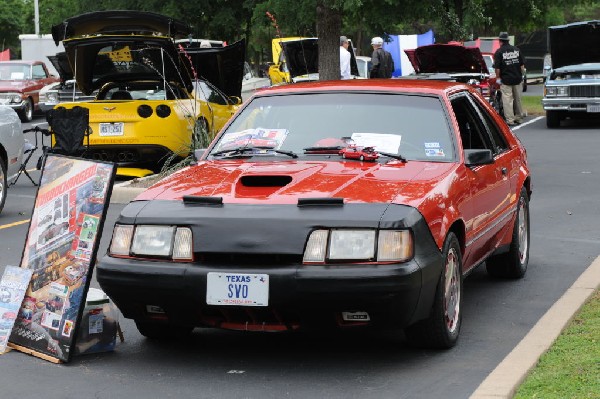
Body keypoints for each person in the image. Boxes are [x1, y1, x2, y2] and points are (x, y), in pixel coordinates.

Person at [493, 32, 525, 126]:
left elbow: (497, 68)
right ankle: (519, 118)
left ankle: (510, 120)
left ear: (500, 41)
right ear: (508, 40)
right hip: (517, 79)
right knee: (518, 99)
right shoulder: (516, 50)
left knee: (508, 100)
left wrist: (498, 78)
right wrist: (522, 75)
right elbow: (522, 66)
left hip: (506, 80)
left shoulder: (499, 52)